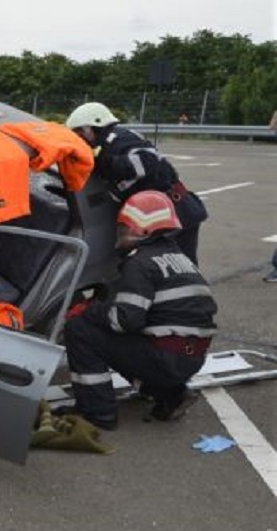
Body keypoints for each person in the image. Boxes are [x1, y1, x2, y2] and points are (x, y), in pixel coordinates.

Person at [62, 190, 217, 430]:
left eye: (124, 228)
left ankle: (97, 412)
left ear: (142, 230)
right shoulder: (179, 258)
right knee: (131, 344)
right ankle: (172, 395)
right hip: (191, 357)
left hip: (165, 358)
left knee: (79, 328)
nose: (120, 233)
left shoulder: (139, 263)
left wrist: (90, 310)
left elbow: (124, 321)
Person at [66, 102, 208, 264]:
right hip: (164, 215)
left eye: (79, 132)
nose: (79, 138)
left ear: (93, 126)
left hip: (174, 214)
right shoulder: (109, 142)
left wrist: (104, 164)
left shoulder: (119, 139)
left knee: (178, 269)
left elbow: (148, 162)